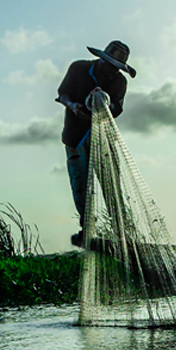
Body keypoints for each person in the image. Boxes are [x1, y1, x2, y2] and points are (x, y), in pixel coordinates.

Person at [57, 40, 136, 247]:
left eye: (116, 68)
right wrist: (74, 106)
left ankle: (121, 231)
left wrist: (103, 102)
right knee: (80, 184)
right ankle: (87, 228)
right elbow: (63, 94)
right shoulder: (79, 69)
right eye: (109, 65)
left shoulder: (119, 82)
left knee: (111, 184)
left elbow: (117, 108)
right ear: (101, 59)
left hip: (102, 137)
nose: (111, 71)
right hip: (76, 135)